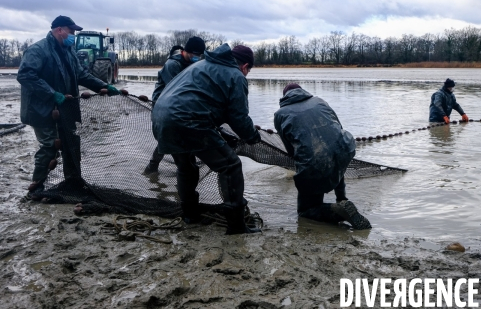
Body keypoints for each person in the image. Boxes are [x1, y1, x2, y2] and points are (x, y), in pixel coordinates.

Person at [151, 44, 261, 234]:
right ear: (245, 66)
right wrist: (252, 136)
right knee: (230, 165)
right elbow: (238, 118)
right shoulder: (236, 75)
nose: (246, 74)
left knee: (186, 168)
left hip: (161, 117)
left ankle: (190, 216)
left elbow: (203, 100)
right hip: (187, 121)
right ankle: (236, 225)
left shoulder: (201, 64)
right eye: (248, 70)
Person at [17, 15, 121, 194]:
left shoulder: (69, 50)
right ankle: (37, 186)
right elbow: (25, 75)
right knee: (50, 146)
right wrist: (52, 94)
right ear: (60, 30)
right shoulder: (37, 50)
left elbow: (81, 74)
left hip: (66, 108)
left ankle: (72, 182)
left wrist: (103, 86)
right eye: (71, 31)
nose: (73, 35)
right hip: (41, 110)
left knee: (71, 145)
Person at [274, 83, 371, 230]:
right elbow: (337, 130)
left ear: (285, 96)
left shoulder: (280, 114)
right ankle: (342, 200)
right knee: (334, 155)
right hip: (344, 148)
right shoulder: (320, 101)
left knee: (306, 211)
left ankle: (340, 212)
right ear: (302, 91)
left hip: (315, 160)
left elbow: (291, 151)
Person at [144, 36, 206, 175]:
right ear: (185, 51)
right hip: (163, 105)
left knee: (171, 137)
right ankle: (158, 167)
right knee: (168, 136)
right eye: (195, 54)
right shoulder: (173, 65)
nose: (197, 57)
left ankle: (153, 168)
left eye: (199, 55)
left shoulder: (191, 64)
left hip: (179, 105)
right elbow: (177, 90)